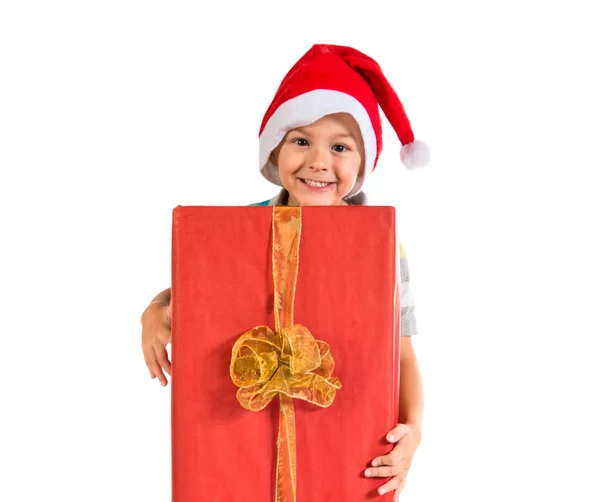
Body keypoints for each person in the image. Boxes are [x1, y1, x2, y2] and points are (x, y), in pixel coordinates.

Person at [141, 44, 428, 500]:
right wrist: (155, 311)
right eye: (301, 140)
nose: (318, 161)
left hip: (346, 448)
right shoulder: (240, 229)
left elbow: (404, 356)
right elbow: (199, 291)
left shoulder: (385, 248)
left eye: (339, 146)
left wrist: (412, 434)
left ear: (363, 163)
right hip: (238, 445)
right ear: (275, 149)